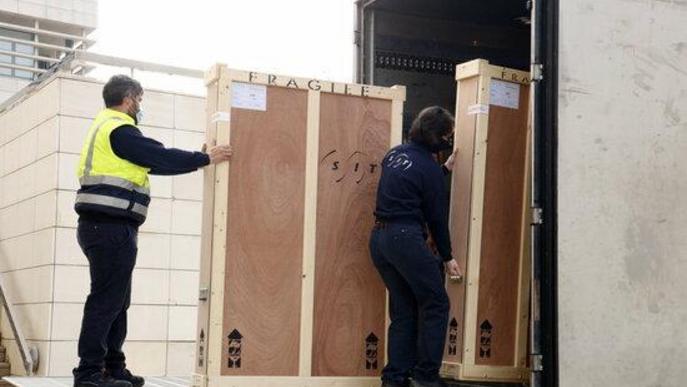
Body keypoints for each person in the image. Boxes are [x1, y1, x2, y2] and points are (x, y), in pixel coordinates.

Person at [72, 75, 232, 387]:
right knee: (106, 302)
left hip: (105, 227)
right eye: (140, 101)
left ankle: (112, 368)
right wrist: (206, 158)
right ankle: (89, 374)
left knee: (117, 302)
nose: (140, 107)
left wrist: (197, 161)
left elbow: (154, 164)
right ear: (129, 99)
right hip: (109, 228)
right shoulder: (119, 129)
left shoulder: (106, 128)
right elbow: (157, 155)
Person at [369, 106, 463, 387]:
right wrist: (447, 257)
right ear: (438, 137)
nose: (450, 139)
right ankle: (425, 377)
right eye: (449, 134)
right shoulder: (428, 168)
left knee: (404, 308)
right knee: (435, 303)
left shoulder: (395, 154)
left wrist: (442, 171)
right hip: (405, 239)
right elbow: (435, 217)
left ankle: (394, 378)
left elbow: (410, 184)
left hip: (379, 241)